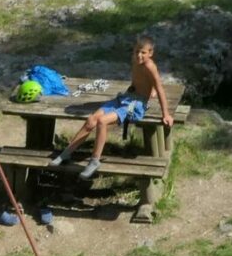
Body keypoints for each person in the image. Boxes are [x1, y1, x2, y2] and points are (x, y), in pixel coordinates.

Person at [50, 34, 172, 179]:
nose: (139, 55)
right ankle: (66, 153)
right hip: (125, 97)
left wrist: (166, 114)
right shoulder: (135, 60)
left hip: (136, 105)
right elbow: (141, 81)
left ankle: (94, 161)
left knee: (102, 121)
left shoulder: (150, 66)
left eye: (143, 52)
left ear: (150, 53)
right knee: (91, 120)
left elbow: (159, 87)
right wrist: (147, 90)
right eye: (136, 51)